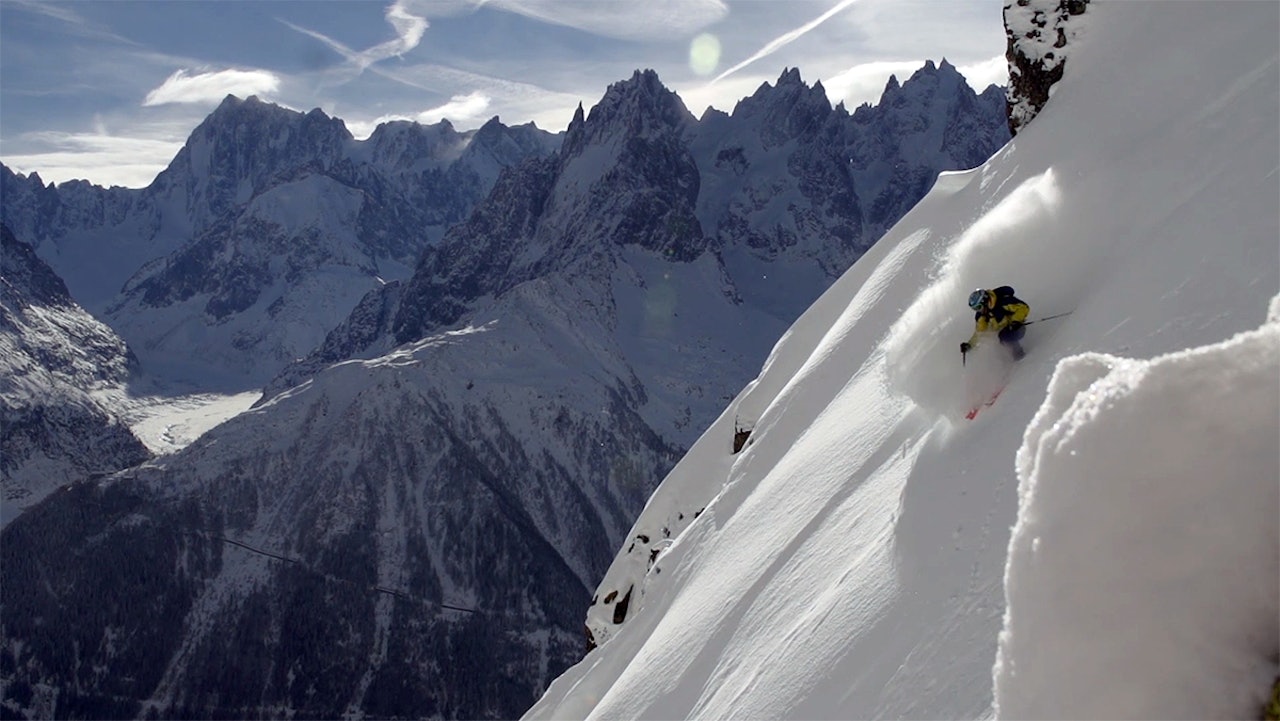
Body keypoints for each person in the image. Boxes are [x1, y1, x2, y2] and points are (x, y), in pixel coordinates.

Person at [961, 286, 1029, 361]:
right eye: (975, 309)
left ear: (985, 301)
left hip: (1016, 328)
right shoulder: (982, 316)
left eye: (979, 307)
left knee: (1004, 336)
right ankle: (1007, 360)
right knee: (998, 342)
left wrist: (1016, 321)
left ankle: (1019, 354)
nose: (979, 311)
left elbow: (1023, 307)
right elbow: (980, 333)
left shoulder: (1003, 302)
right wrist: (970, 345)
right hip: (1003, 332)